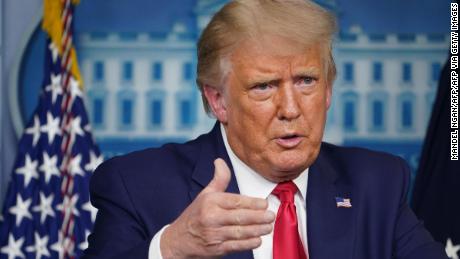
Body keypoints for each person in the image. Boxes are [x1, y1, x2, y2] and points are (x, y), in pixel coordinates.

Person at [83, 0, 448, 258]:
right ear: (218, 101)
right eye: (264, 86)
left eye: (306, 81)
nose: (290, 109)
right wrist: (170, 249)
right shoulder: (137, 185)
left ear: (329, 90)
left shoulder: (376, 183)